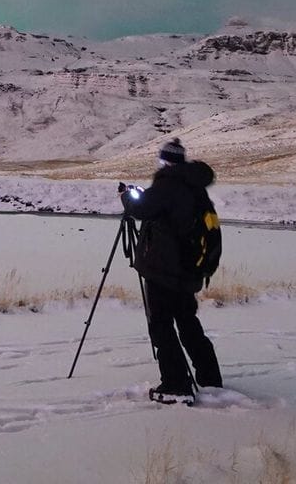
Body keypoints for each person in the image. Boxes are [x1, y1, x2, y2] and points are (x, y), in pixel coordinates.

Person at [119, 136, 223, 402]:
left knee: (161, 325)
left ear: (164, 162)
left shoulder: (167, 186)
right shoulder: (195, 187)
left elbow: (141, 209)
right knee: (188, 322)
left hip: (164, 271)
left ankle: (176, 384)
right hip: (189, 270)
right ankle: (210, 378)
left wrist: (126, 197)